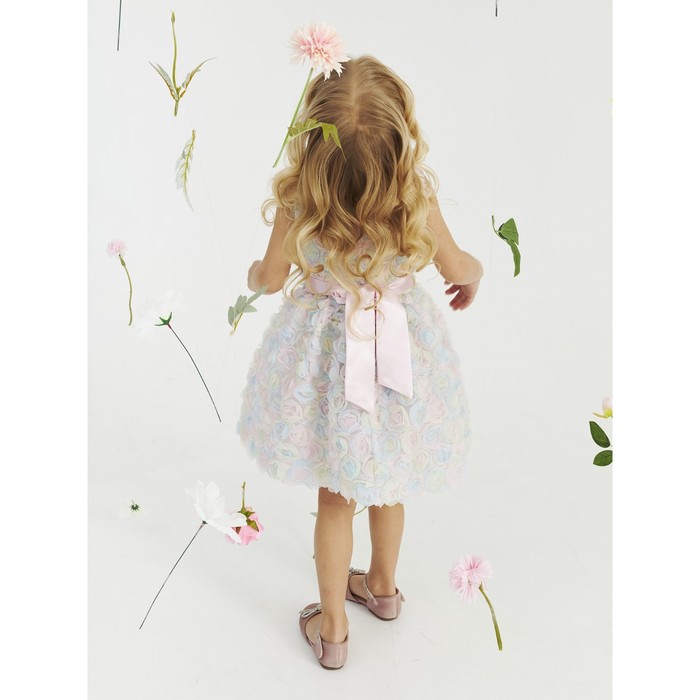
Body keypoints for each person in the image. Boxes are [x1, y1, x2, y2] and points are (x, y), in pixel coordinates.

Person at [236, 55, 483, 670]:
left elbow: (270, 278)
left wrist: (256, 272)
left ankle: (333, 629)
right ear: (400, 140)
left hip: (327, 367)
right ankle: (382, 588)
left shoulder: (299, 201)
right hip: (401, 362)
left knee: (336, 496)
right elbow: (459, 266)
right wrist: (472, 274)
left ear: (312, 143)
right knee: (388, 481)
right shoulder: (413, 198)